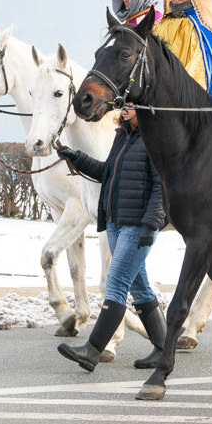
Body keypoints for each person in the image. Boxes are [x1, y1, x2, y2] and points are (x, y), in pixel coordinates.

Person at [54, 107, 167, 372]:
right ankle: (164, 349)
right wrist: (76, 158)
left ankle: (91, 351)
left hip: (137, 225)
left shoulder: (155, 137)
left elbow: (161, 185)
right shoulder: (123, 136)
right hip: (116, 223)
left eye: (131, 104)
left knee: (115, 284)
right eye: (123, 104)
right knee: (140, 288)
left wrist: (151, 224)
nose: (125, 108)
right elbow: (107, 173)